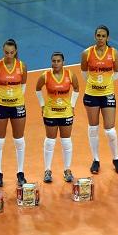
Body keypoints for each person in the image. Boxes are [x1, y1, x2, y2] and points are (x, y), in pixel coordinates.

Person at [81, 25, 118, 174]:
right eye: (98, 35)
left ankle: (116, 158)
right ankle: (96, 160)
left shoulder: (114, 53)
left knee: (110, 130)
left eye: (103, 36)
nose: (100, 38)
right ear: (95, 36)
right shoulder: (87, 53)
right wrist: (95, 84)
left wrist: (107, 82)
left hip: (107, 94)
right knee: (93, 128)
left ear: (108, 38)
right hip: (91, 95)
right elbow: (84, 72)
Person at [36, 52, 79, 183]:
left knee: (66, 141)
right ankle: (47, 170)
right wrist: (42, 105)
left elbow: (76, 89)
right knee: (50, 141)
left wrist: (72, 105)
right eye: (53, 61)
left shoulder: (70, 75)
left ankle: (67, 170)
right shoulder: (45, 75)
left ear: (63, 62)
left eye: (58, 61)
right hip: (51, 113)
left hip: (66, 112)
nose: (55, 64)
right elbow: (37, 89)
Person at [0, 39, 27, 188]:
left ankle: (20, 172)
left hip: (17, 106)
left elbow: (23, 85)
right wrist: (0, 100)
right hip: (0, 106)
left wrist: (16, 99)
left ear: (16, 51)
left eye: (12, 52)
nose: (9, 55)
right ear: (3, 51)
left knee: (19, 140)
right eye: (6, 52)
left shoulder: (22, 66)